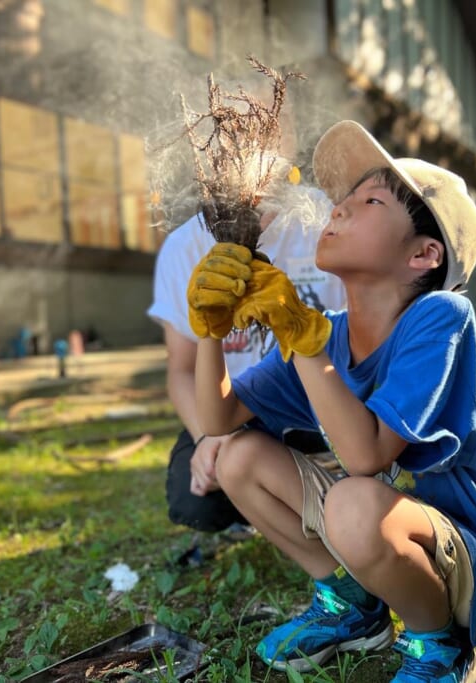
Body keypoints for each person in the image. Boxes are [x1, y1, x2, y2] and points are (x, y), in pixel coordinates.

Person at [188, 120, 476, 682]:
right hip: (371, 524)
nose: (337, 210)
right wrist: (210, 331)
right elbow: (217, 418)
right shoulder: (325, 333)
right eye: (343, 199)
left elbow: (368, 458)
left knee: (354, 499)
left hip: (465, 562)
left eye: (369, 200)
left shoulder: (441, 317)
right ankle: (352, 609)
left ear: (424, 254)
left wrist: (303, 337)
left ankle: (441, 644)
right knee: (237, 456)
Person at [146, 183, 347, 533]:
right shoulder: (183, 247)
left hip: (323, 403)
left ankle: (318, 488)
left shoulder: (326, 219)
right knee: (197, 502)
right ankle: (278, 501)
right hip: (234, 412)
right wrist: (207, 436)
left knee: (359, 470)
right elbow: (181, 370)